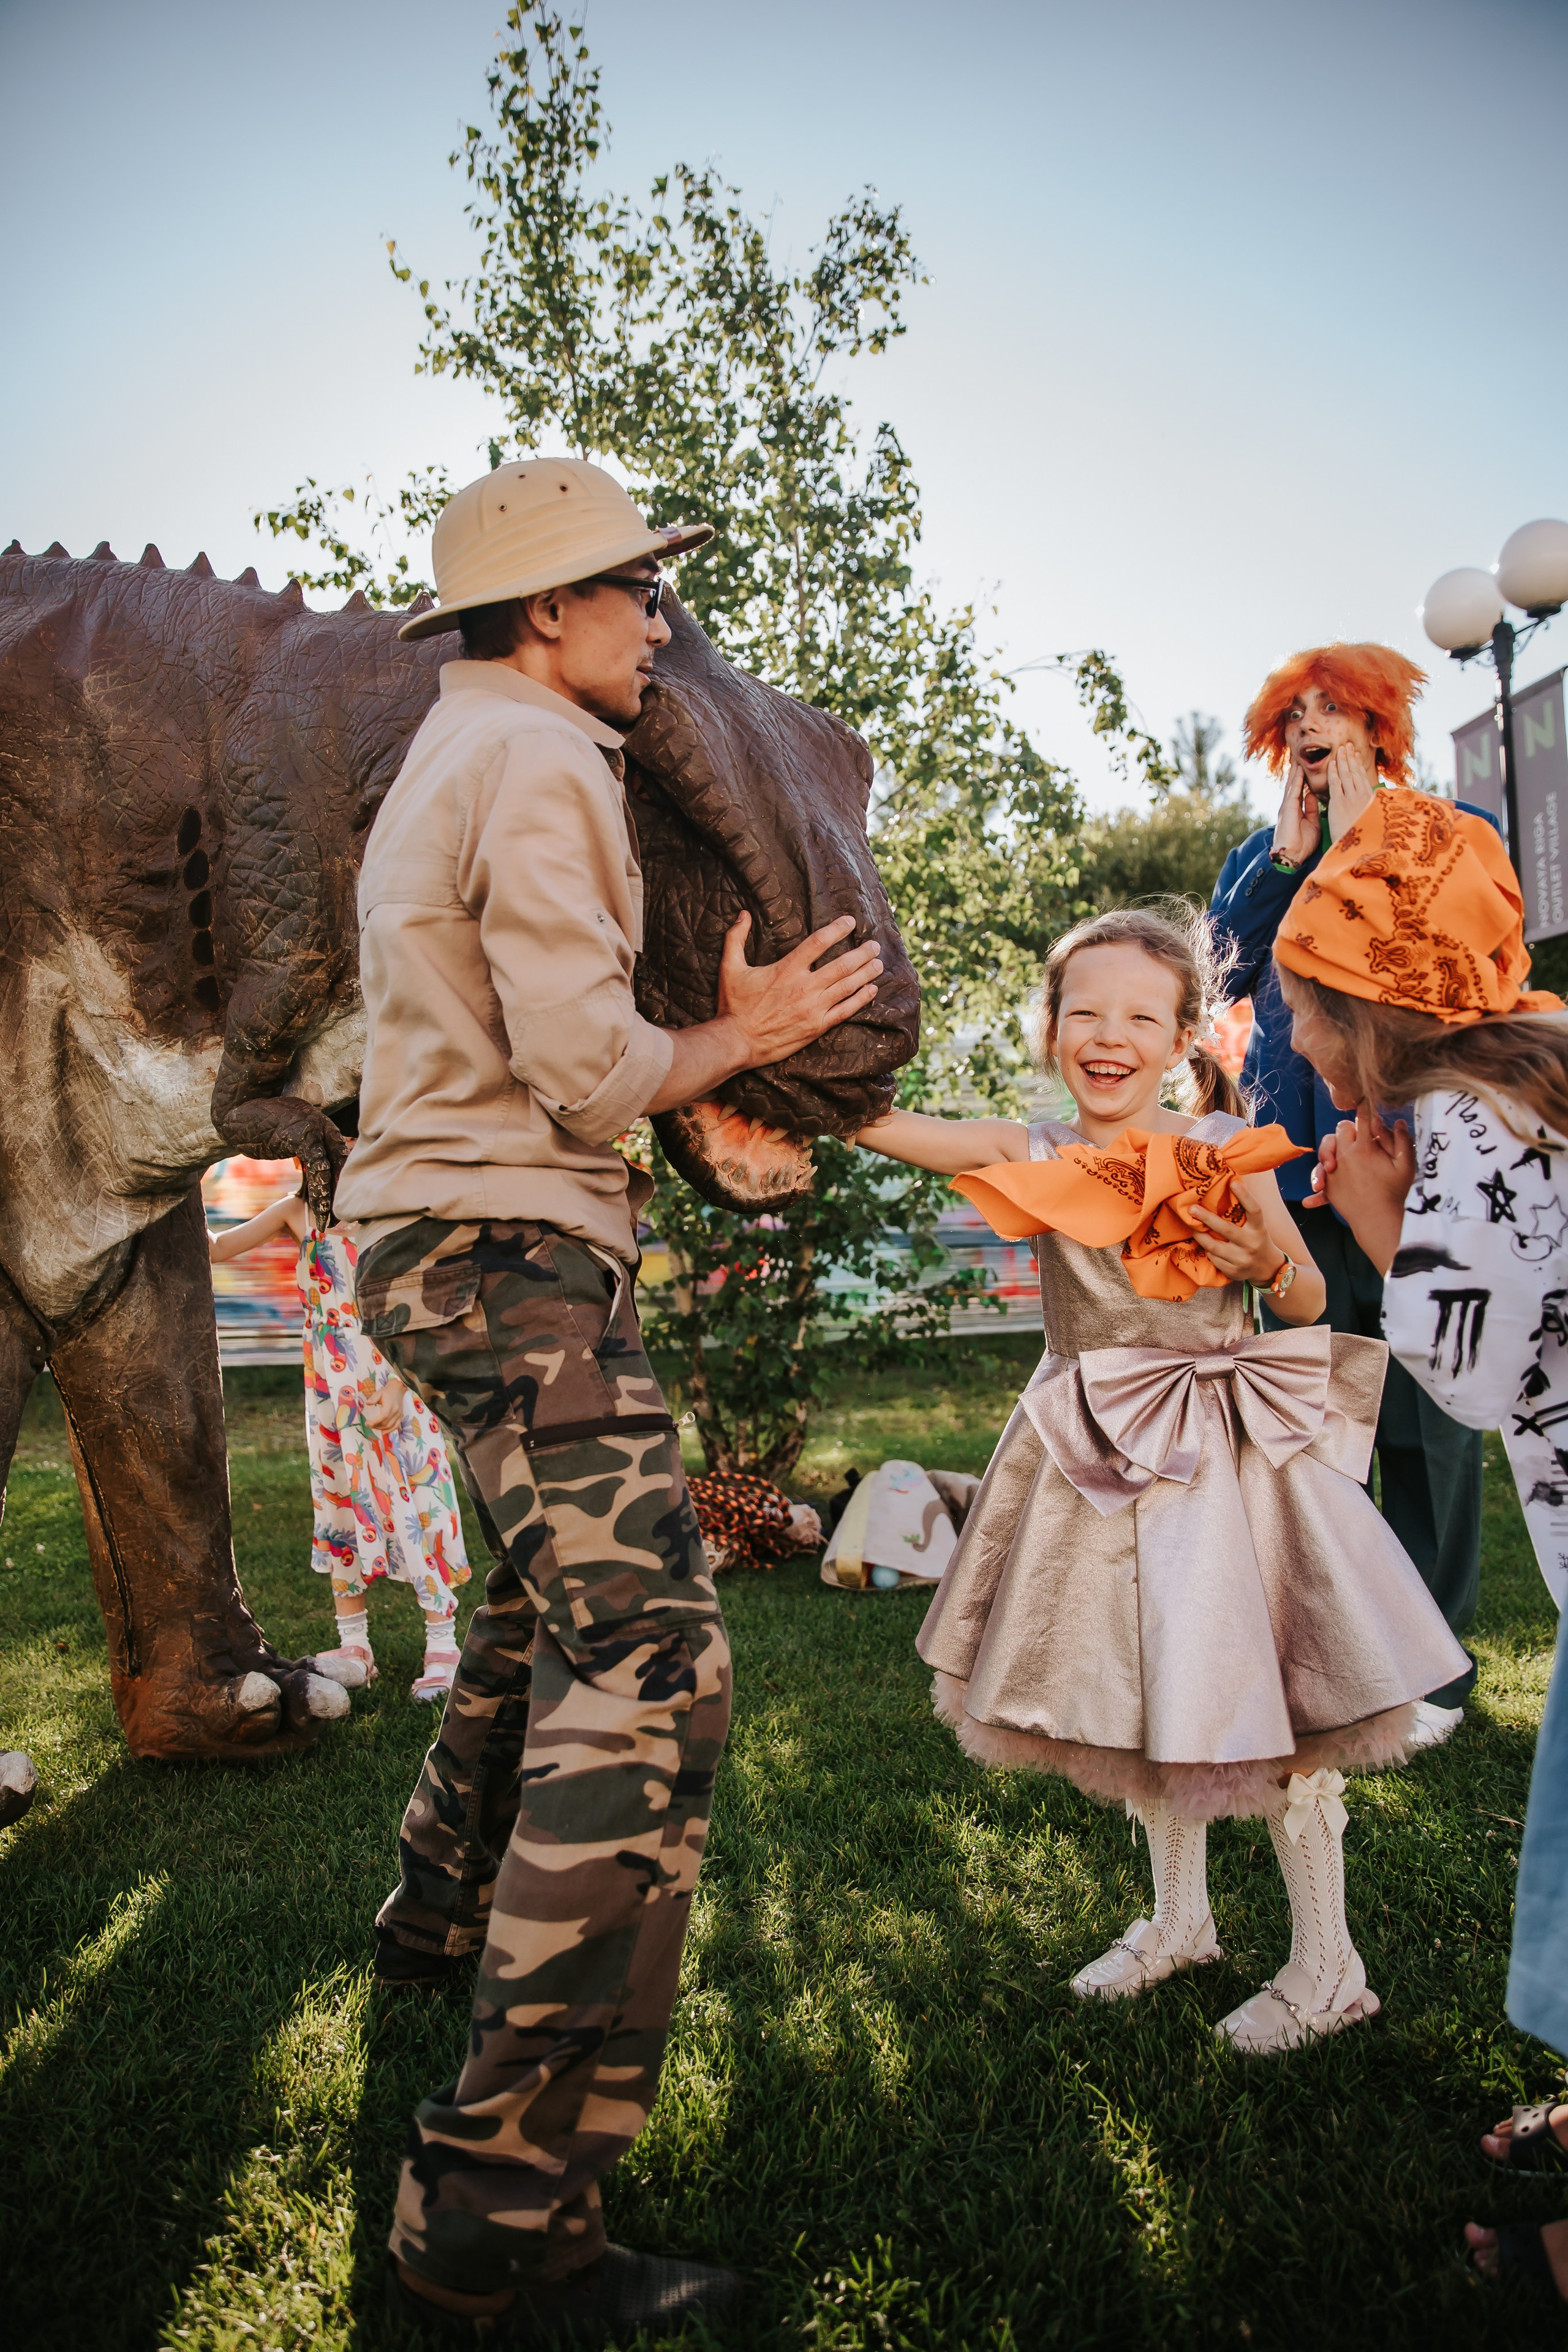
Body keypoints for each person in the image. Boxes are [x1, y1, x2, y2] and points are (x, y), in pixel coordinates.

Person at [333, 456, 884, 2342]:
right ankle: (490, 2234)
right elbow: (582, 1068)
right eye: (636, 591)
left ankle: (425, 1924)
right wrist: (752, 1035)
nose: (661, 621)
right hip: (506, 1248)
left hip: (437, 1243)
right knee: (655, 1667)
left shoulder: (451, 748)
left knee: (536, 1596)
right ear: (546, 611)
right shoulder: (550, 761)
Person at [853, 905, 1467, 2052]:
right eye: (1082, 1010)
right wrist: (775, 1063)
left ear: (1183, 1036)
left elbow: (1306, 1302)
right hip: (1090, 1460)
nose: (1108, 1034)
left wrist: (1261, 1260)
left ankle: (1329, 1964)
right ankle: (1182, 1918)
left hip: (1219, 1472)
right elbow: (890, 1126)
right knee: (1143, 1687)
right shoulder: (1033, 1152)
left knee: (1271, 1715)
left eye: (1140, 1014)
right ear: (1050, 1030)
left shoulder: (1222, 1154)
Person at [1269, 784, 1568, 2297]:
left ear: (1372, 1015)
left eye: (1310, 1017)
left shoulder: (1468, 1125)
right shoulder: (1536, 1073)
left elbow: (1457, 1374)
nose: (1303, 1049)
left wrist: (1384, 1228)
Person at [1210, 643, 1499, 1747]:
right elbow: (1220, 973)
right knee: (1311, 1434)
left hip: (1420, 1175)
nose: (1313, 731)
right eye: (1296, 717)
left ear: (1380, 728)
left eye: (1334, 712)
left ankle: (1435, 1680)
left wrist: (1365, 838)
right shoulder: (1261, 855)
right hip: (1295, 1189)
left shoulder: (1448, 834)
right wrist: (1287, 859)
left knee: (1428, 1434)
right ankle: (1331, 1666)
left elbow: (1468, 951)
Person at [210, 1170, 470, 1699]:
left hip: (392, 1380)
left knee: (417, 1500)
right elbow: (215, 1249)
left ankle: (443, 1643)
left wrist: (401, 1388)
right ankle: (355, 1644)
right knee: (340, 1501)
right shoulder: (294, 1212)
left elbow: (427, 1301)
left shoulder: (396, 1207)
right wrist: (183, 1173)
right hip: (331, 1392)